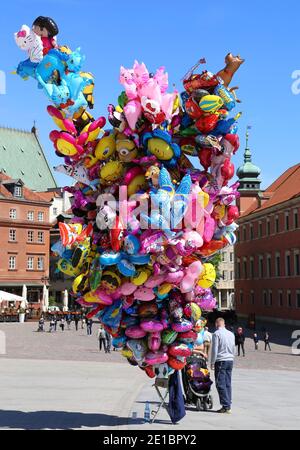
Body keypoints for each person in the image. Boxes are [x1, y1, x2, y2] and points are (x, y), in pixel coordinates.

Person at [211, 318, 235, 414]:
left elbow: (215, 349)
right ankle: (228, 403)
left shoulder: (217, 334)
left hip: (221, 360)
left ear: (217, 324)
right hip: (230, 359)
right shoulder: (231, 334)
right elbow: (233, 347)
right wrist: (232, 357)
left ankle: (226, 405)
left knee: (220, 382)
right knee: (228, 383)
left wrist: (212, 361)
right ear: (224, 324)